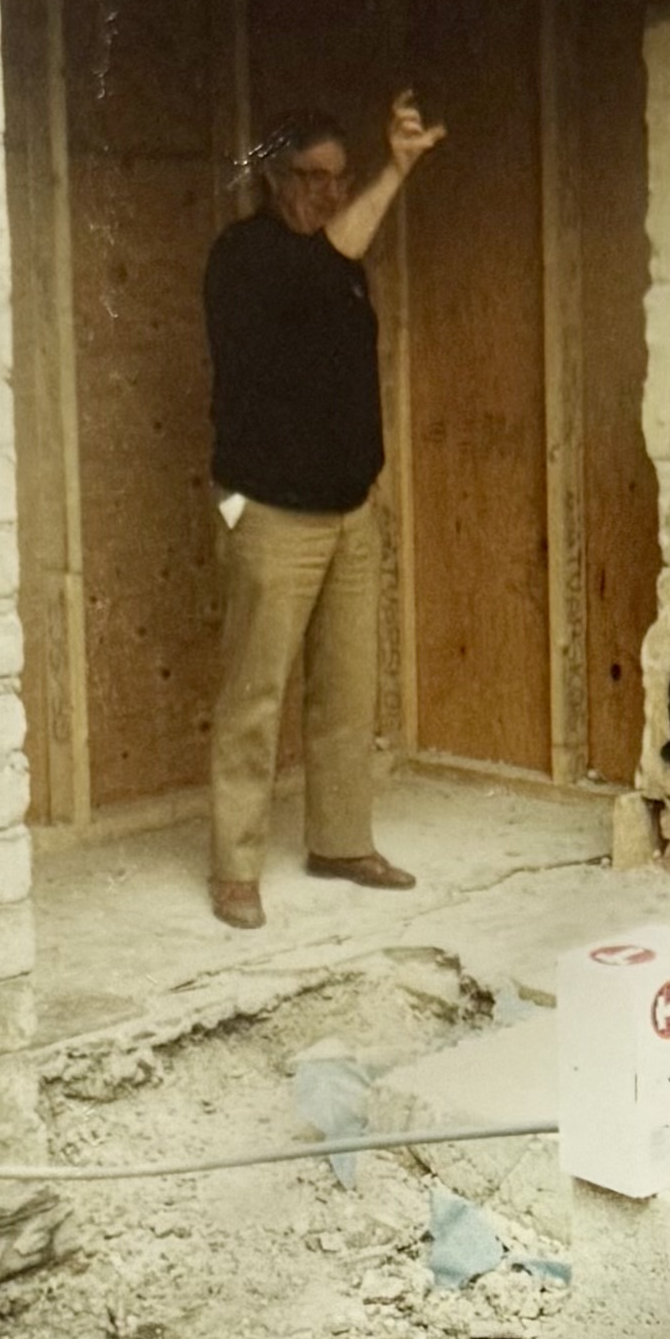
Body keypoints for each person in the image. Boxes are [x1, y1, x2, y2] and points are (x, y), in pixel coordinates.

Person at [202, 91, 447, 929]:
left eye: (340, 179)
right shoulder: (246, 257)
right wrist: (399, 169)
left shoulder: (343, 265)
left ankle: (340, 841)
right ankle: (234, 868)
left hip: (349, 512)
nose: (328, 192)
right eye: (310, 176)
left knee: (347, 693)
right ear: (273, 177)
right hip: (270, 513)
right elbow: (320, 262)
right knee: (254, 694)